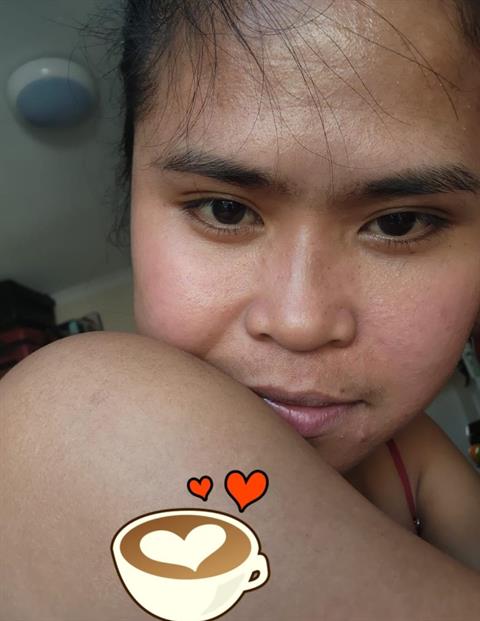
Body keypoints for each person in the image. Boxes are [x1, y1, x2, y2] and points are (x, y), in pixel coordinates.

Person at [1, 0, 480, 618]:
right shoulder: (75, 421)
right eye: (225, 210)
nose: (300, 322)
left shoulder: (412, 453)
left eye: (400, 222)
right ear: (130, 202)